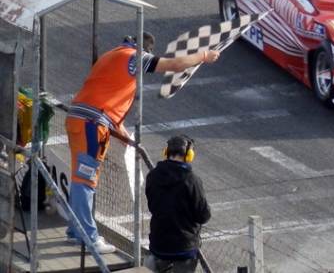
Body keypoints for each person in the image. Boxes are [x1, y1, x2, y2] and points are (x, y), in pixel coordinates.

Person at [65, 32, 219, 254]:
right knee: (85, 180)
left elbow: (105, 93)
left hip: (81, 119)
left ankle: (75, 231)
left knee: (80, 176)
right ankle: (89, 237)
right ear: (144, 50)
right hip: (92, 124)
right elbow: (174, 64)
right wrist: (204, 55)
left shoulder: (112, 55)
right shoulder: (134, 57)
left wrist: (122, 133)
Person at [144, 134, 211, 272]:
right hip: (184, 246)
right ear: (189, 155)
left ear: (166, 152)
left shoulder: (153, 176)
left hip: (159, 243)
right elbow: (203, 216)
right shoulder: (191, 180)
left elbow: (152, 206)